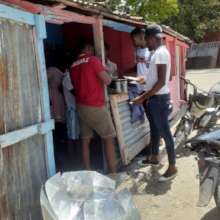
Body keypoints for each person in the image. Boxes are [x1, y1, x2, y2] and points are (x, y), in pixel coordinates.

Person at [132, 25, 177, 182]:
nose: (146, 44)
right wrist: (144, 79)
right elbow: (155, 78)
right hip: (155, 99)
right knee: (155, 129)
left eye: (146, 40)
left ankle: (172, 167)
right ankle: (155, 157)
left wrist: (142, 97)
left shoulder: (159, 54)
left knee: (165, 132)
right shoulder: (158, 53)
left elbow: (161, 81)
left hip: (158, 99)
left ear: (151, 38)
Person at [70, 41, 117, 174]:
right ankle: (113, 173)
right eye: (92, 49)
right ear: (88, 48)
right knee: (108, 138)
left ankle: (87, 171)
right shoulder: (92, 60)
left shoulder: (73, 65)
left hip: (81, 106)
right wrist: (108, 74)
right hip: (95, 105)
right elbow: (107, 80)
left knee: (85, 140)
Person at [62, 69, 79, 156]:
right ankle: (72, 156)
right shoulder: (67, 78)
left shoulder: (69, 77)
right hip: (71, 109)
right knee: (72, 136)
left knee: (75, 134)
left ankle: (75, 155)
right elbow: (75, 92)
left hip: (74, 109)